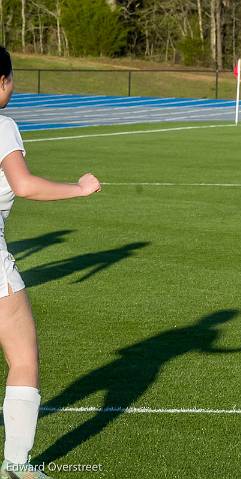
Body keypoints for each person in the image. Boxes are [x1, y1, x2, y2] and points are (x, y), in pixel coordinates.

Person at [0, 46, 101, 478]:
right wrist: (79, 189)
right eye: (11, 78)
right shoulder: (2, 125)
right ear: (1, 82)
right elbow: (22, 185)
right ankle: (17, 465)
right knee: (23, 357)